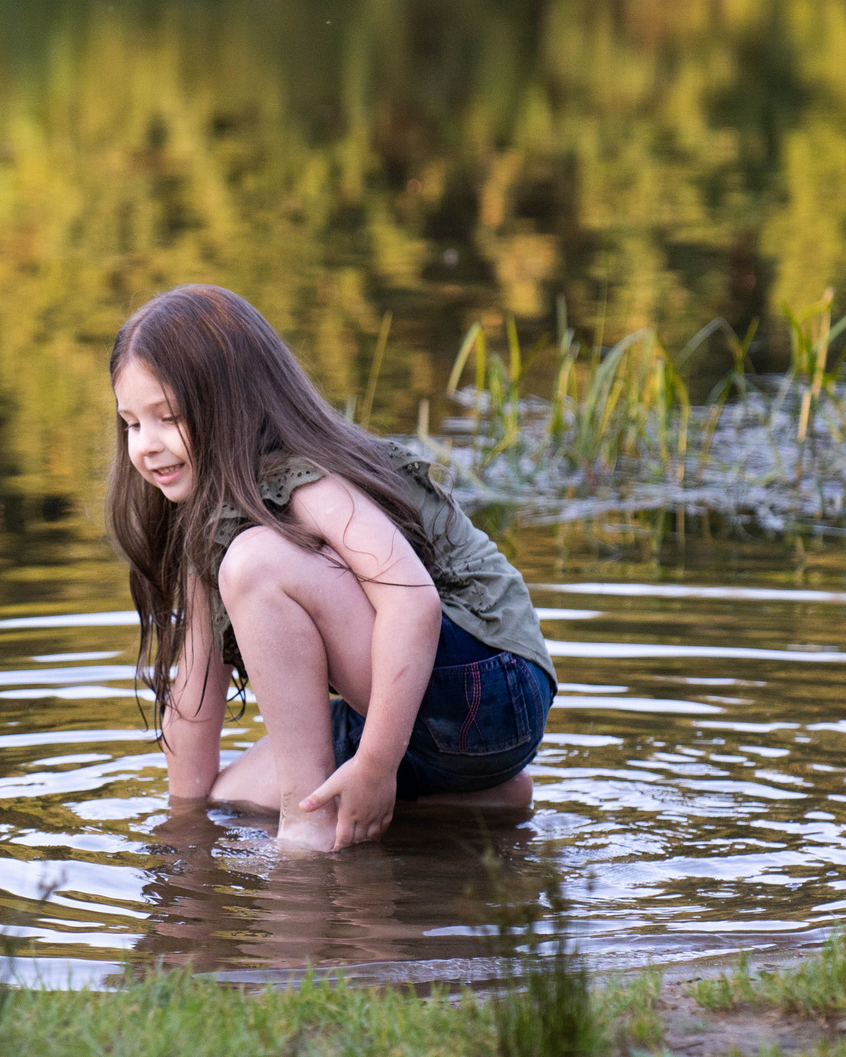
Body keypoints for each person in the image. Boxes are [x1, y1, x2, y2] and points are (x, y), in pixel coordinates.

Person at [107, 284, 556, 851]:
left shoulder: (302, 477)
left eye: (167, 417)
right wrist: (180, 829)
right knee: (228, 800)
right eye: (131, 423)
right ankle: (481, 797)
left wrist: (374, 764)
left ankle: (309, 827)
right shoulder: (207, 521)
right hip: (435, 727)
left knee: (255, 563)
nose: (146, 445)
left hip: (488, 682)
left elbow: (412, 600)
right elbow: (194, 694)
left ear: (235, 404)